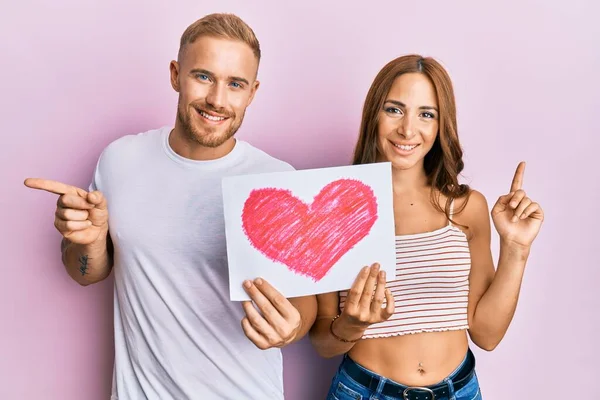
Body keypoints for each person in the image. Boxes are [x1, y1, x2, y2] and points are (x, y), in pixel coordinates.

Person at [24, 13, 316, 400]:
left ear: (252, 92)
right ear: (176, 75)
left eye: (235, 84)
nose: (217, 99)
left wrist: (290, 329)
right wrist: (89, 241)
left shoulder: (277, 180)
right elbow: (84, 273)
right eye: (204, 76)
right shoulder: (120, 159)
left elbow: (306, 304)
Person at [309, 55, 544, 400]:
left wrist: (517, 249)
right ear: (374, 113)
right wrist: (352, 325)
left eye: (426, 114)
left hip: (459, 391)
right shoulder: (334, 210)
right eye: (394, 109)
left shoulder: (466, 208)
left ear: (440, 124)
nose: (407, 129)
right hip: (364, 392)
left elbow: (487, 335)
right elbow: (323, 344)